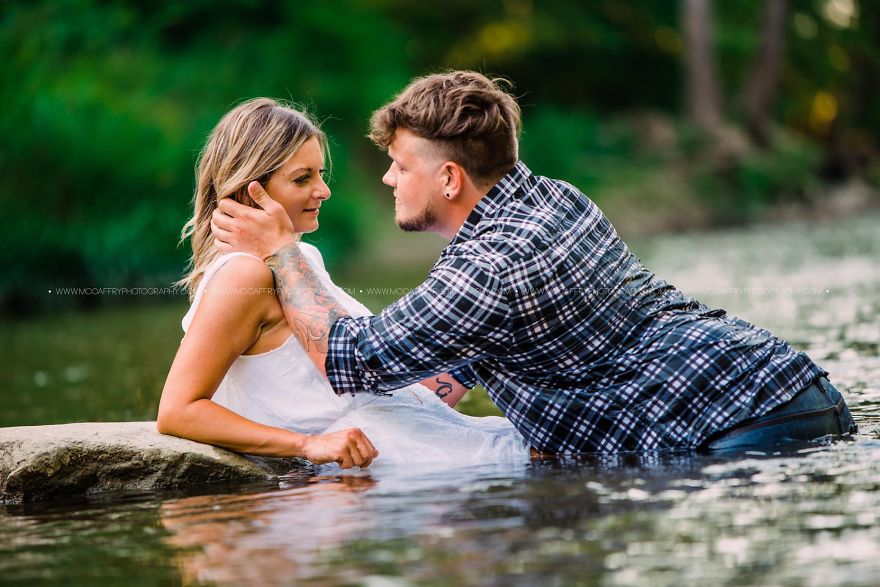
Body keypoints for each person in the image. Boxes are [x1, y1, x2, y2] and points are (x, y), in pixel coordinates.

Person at [211, 72, 857, 455]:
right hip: (800, 388)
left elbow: (350, 359)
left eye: (402, 166)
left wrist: (280, 251)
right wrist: (420, 419)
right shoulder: (558, 199)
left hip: (739, 429)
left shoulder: (486, 268)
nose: (386, 178)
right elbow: (498, 335)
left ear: (450, 179)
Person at [157, 98, 532, 469]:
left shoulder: (302, 262)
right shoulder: (244, 276)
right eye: (303, 178)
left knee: (538, 450)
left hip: (409, 444)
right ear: (249, 190)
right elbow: (178, 411)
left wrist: (480, 349)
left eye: (320, 174)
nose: (323, 190)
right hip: (373, 465)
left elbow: (366, 391)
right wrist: (308, 445)